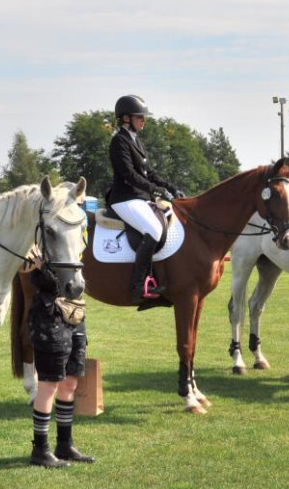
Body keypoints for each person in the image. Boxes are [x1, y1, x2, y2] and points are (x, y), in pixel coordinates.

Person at [107, 95, 184, 302]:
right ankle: (139, 285)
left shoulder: (136, 141)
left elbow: (149, 172)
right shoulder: (118, 142)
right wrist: (158, 192)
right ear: (125, 118)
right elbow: (130, 175)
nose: (144, 120)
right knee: (153, 230)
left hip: (139, 198)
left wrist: (171, 188)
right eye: (139, 117)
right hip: (124, 198)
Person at [24, 255, 95, 467]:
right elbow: (27, 272)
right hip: (49, 315)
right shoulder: (39, 241)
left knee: (70, 382)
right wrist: (39, 267)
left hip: (74, 312)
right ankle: (40, 449)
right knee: (49, 384)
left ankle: (64, 444)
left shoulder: (75, 237)